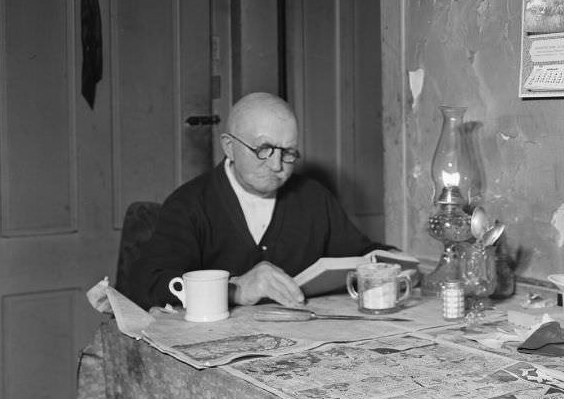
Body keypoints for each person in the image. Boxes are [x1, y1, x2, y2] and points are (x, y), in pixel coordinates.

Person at [126, 92, 394, 310]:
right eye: (263, 150)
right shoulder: (190, 204)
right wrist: (234, 289)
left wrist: (394, 264)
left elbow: (363, 254)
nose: (277, 165)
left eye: (288, 152)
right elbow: (147, 284)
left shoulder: (313, 198)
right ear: (229, 146)